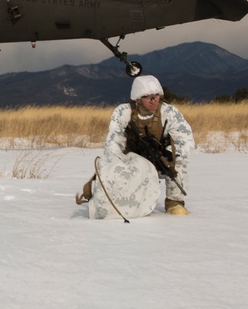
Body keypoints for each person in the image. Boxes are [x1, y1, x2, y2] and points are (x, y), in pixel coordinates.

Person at [76, 75, 194, 217]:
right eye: (148, 97)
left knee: (178, 163)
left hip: (159, 161)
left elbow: (185, 139)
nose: (154, 100)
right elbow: (114, 142)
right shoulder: (123, 112)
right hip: (130, 162)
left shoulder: (169, 112)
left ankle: (174, 202)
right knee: (108, 173)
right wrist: (115, 164)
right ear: (137, 99)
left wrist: (169, 154)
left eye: (156, 96)